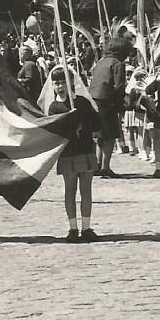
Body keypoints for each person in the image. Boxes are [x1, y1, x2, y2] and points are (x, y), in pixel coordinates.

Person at [38, 66, 100, 242]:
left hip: (85, 149)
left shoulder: (82, 102)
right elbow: (54, 131)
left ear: (71, 82)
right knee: (70, 191)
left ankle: (86, 227)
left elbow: (96, 125)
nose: (60, 86)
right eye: (56, 83)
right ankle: (73, 227)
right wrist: (68, 121)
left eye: (63, 81)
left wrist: (81, 118)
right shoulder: (54, 107)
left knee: (86, 191)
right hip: (68, 153)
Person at [89, 37, 132, 178]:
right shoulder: (118, 64)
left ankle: (97, 164)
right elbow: (119, 86)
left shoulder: (101, 62)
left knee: (99, 135)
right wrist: (121, 104)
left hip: (94, 99)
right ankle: (105, 167)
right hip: (107, 101)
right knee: (110, 135)